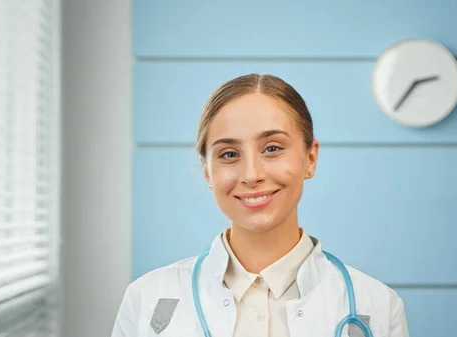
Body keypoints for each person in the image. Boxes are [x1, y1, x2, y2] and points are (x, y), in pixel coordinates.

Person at [111, 74, 410, 337]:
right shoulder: (147, 299)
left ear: (310, 158)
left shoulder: (377, 305)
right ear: (207, 171)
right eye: (229, 154)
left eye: (272, 149)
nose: (252, 175)